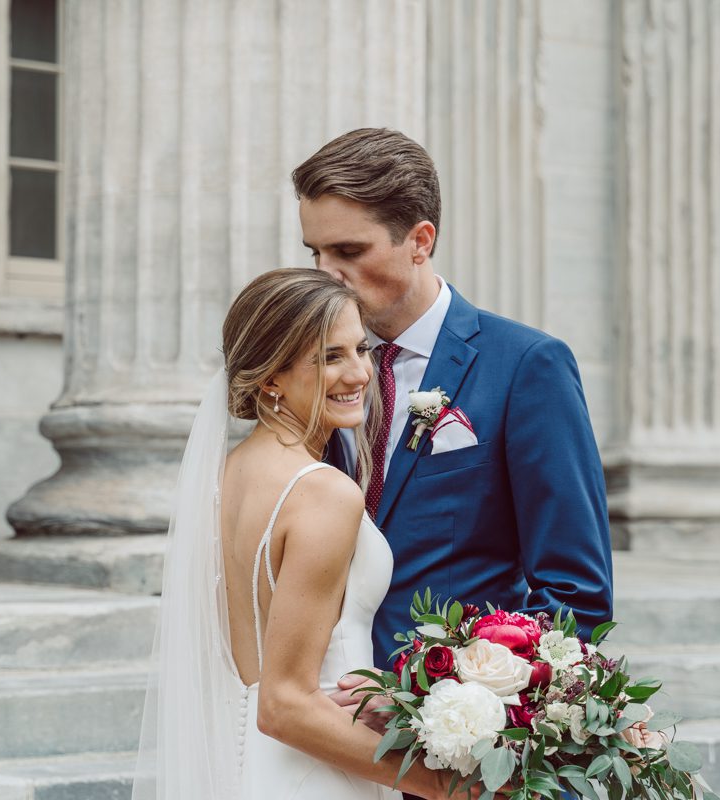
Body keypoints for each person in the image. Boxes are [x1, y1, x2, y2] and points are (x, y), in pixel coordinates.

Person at [290, 129, 614, 719]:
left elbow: (574, 595)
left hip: (445, 732)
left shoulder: (525, 366)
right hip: (322, 722)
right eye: (315, 253)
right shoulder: (304, 371)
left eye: (349, 252)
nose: (326, 274)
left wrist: (437, 697)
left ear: (420, 241)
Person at [133, 269, 465, 800]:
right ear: (271, 377)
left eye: (360, 349)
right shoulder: (322, 493)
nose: (360, 373)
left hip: (240, 764)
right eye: (331, 357)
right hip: (316, 771)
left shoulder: (227, 476)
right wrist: (446, 785)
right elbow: (286, 703)